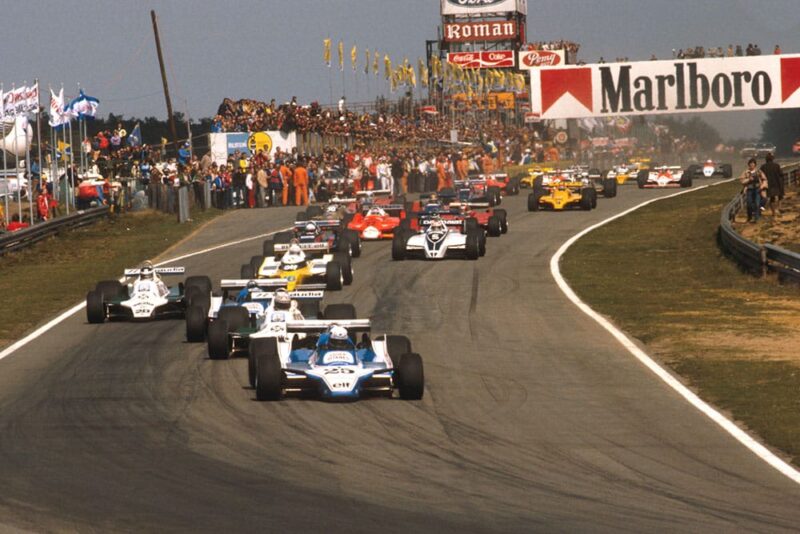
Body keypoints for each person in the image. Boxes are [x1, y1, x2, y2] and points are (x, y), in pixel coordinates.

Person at [739, 158, 767, 222]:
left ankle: (756, 218)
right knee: (749, 204)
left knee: (757, 203)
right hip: (749, 189)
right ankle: (749, 216)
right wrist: (749, 179)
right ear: (749, 165)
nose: (752, 165)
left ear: (755, 165)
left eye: (753, 164)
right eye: (750, 164)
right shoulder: (746, 172)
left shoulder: (759, 172)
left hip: (757, 189)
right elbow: (742, 181)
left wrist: (762, 186)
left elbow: (764, 179)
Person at [760, 153, 784, 218]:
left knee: (771, 199)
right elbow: (781, 174)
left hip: (768, 185)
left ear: (766, 159)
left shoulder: (763, 167)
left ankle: (773, 212)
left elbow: (760, 176)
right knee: (780, 196)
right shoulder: (777, 166)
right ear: (773, 159)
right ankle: (778, 208)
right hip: (777, 184)